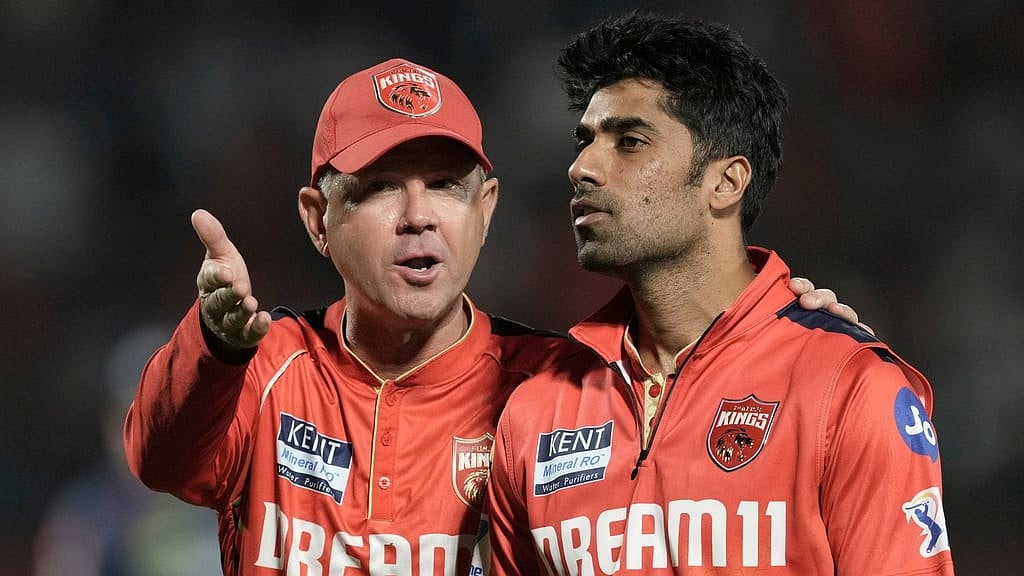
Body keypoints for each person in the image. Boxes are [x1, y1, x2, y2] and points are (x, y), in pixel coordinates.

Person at [123, 57, 861, 576]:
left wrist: (793, 343)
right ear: (319, 219)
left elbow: (711, 473)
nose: (418, 217)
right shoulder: (263, 363)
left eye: (446, 185)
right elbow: (160, 460)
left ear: (486, 209)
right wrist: (215, 346)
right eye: (380, 189)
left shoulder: (559, 384)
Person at [481, 12, 954, 576]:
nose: (582, 168)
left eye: (629, 142)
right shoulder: (536, 413)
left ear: (726, 182)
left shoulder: (847, 388)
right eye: (584, 142)